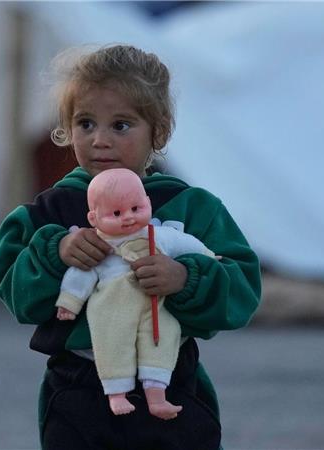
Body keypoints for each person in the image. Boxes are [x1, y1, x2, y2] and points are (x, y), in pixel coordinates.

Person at [0, 44, 261, 450]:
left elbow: (242, 289)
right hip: (78, 389)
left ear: (160, 130)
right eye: (85, 123)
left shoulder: (191, 207)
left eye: (120, 125)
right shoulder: (47, 213)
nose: (100, 140)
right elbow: (15, 292)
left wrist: (186, 278)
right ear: (67, 128)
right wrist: (54, 254)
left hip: (173, 384)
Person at [56, 167, 217, 420]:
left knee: (163, 338)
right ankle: (117, 393)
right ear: (94, 218)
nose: (128, 218)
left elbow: (188, 244)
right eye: (116, 213)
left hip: (156, 304)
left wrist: (209, 256)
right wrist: (70, 302)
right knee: (111, 345)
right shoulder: (100, 246)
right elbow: (80, 275)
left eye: (136, 208)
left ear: (148, 203)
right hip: (112, 308)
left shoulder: (160, 236)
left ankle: (157, 395)